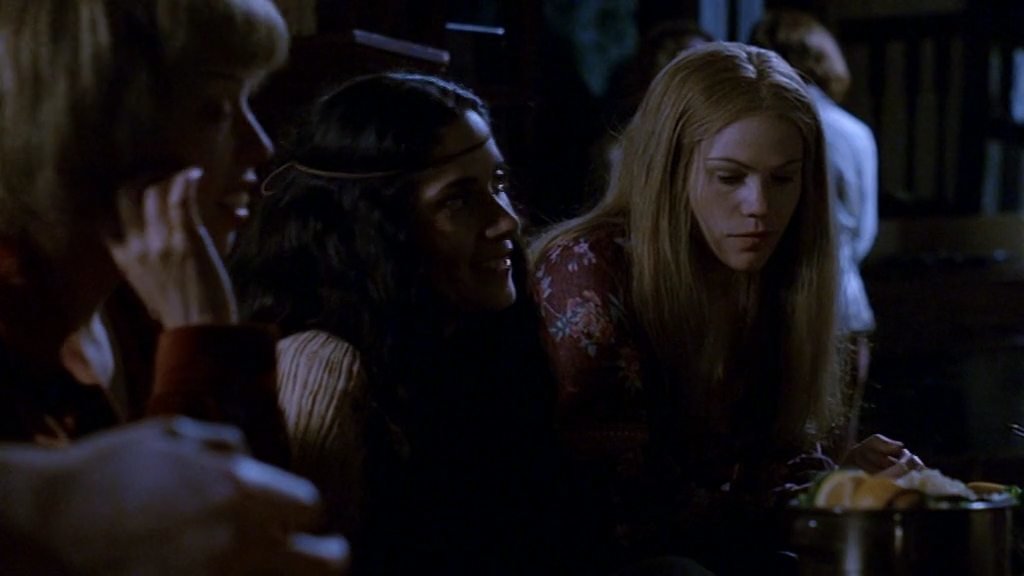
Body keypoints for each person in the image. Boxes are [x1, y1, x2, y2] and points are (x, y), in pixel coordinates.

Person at [529, 42, 909, 575]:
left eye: (783, 178)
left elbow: (775, 458)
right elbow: (622, 502)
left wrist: (840, 480)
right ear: (671, 169)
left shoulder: (775, 274)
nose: (760, 207)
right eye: (730, 177)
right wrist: (813, 499)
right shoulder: (590, 268)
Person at [0, 0, 345, 572]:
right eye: (215, 110)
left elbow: (269, 530)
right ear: (91, 125)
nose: (260, 145)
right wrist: (205, 341)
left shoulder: (132, 299)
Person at [229, 72, 558, 575]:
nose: (506, 220)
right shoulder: (324, 365)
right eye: (458, 200)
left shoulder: (475, 341)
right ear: (375, 227)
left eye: (497, 184)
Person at [749, 9, 880, 451]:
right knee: (839, 448)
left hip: (778, 294)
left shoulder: (766, 127)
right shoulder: (854, 131)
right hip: (847, 300)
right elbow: (864, 231)